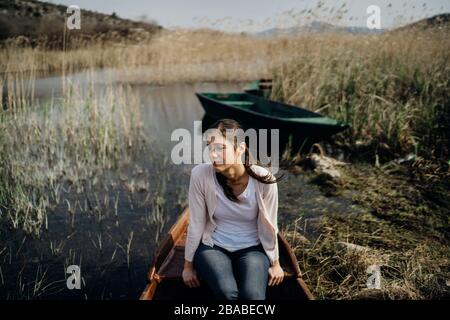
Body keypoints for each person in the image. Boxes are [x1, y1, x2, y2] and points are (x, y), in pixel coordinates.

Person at [182, 118, 284, 300]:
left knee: (253, 297)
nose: (213, 155)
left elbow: (271, 224)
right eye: (210, 148)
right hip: (213, 246)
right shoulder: (200, 175)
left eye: (220, 148)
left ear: (240, 149)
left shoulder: (264, 180)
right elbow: (196, 224)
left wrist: (275, 263)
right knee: (227, 293)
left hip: (253, 248)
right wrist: (188, 267)